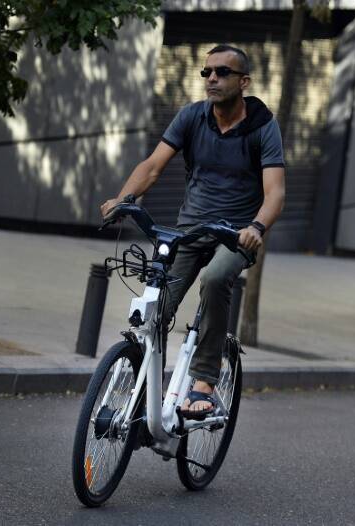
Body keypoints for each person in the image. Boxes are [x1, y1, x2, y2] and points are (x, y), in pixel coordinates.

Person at [100, 44, 286, 418]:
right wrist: (123, 199)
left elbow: (276, 192)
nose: (212, 78)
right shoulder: (191, 117)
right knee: (155, 308)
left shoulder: (262, 127)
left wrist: (256, 226)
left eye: (222, 72)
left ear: (243, 81)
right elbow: (153, 166)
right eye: (207, 72)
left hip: (235, 236)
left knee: (216, 279)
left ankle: (204, 380)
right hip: (189, 231)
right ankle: (143, 390)